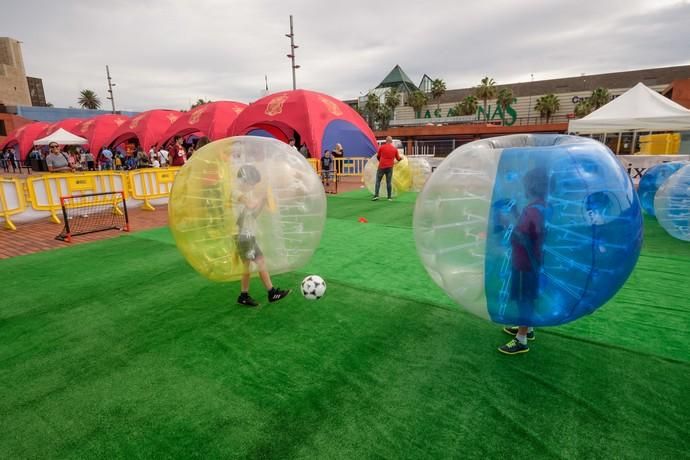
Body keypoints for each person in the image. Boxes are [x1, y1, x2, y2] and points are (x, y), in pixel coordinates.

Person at [499, 167, 548, 355]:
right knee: (529, 295)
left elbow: (520, 235)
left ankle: (521, 339)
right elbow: (535, 231)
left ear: (531, 187)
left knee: (523, 299)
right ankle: (527, 327)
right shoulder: (542, 206)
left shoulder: (531, 211)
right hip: (535, 263)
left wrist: (507, 223)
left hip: (524, 264)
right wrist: (517, 214)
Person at [233, 164, 291, 307]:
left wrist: (263, 201)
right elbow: (251, 205)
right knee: (260, 261)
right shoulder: (236, 193)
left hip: (245, 235)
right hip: (243, 236)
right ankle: (271, 292)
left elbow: (252, 215)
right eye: (252, 184)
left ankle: (244, 295)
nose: (252, 187)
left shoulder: (244, 194)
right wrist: (262, 195)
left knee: (247, 266)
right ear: (244, 180)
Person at [372, 136, 402, 201]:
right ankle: (389, 197)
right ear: (391, 141)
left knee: (378, 181)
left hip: (381, 166)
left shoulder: (382, 147)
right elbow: (398, 159)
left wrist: (381, 161)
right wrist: (401, 159)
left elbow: (378, 156)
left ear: (386, 141)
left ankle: (376, 196)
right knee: (389, 182)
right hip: (390, 167)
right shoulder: (394, 149)